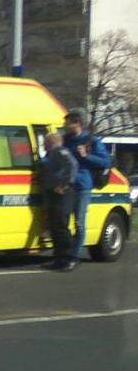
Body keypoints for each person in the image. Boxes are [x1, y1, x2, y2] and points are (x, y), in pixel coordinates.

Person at [62, 110, 109, 262]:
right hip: (66, 185)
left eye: (68, 123)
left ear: (77, 123)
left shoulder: (91, 141)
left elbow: (105, 162)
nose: (65, 125)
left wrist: (86, 156)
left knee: (79, 222)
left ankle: (73, 256)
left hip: (82, 186)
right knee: (62, 220)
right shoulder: (65, 140)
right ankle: (66, 252)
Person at [39, 131, 80, 271]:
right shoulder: (50, 154)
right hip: (53, 194)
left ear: (51, 142)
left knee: (61, 227)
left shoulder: (60, 151)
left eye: (45, 142)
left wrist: (64, 184)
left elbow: (73, 165)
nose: (43, 145)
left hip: (63, 194)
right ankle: (58, 259)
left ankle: (69, 259)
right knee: (55, 228)